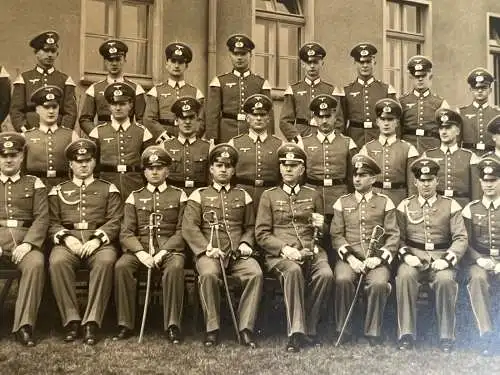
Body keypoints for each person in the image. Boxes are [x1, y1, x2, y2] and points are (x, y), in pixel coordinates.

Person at [182, 144, 263, 348]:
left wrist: (246, 243)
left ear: (234, 170)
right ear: (211, 169)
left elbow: (250, 226)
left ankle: (246, 328)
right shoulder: (199, 195)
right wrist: (206, 248)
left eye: (228, 166)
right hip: (209, 253)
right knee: (208, 275)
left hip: (236, 254)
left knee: (255, 273)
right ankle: (212, 329)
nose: (223, 169)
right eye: (219, 165)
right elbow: (189, 228)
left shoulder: (243, 195)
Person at [255, 143, 334, 352]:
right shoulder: (269, 196)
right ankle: (295, 332)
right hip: (281, 254)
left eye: (293, 165)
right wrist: (284, 250)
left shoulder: (314, 194)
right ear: (280, 168)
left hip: (311, 250)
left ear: (302, 169)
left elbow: (324, 233)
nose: (288, 169)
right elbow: (261, 234)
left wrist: (322, 225)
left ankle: (310, 327)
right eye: (284, 165)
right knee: (293, 271)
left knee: (325, 274)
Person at [48, 139, 122, 345]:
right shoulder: (58, 190)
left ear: (94, 163)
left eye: (88, 160)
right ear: (70, 164)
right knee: (57, 262)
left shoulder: (109, 188)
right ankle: (71, 319)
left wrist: (98, 239)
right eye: (78, 161)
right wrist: (67, 237)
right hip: (68, 241)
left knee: (106, 261)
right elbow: (52, 221)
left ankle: (92, 321)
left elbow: (115, 220)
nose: (83, 165)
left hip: (99, 242)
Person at [114, 146, 187, 343]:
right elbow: (126, 232)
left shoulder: (179, 195)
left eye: (159, 167)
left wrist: (162, 252)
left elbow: (182, 231)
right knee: (122, 266)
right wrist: (140, 253)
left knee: (175, 268)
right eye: (150, 168)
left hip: (169, 250)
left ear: (167, 171)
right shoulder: (134, 196)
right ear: (144, 172)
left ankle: (172, 324)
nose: (154, 172)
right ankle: (125, 323)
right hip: (141, 249)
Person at [396, 158, 468, 353]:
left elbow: (461, 238)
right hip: (414, 256)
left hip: (441, 256)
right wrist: (406, 256)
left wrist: (447, 260)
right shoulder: (405, 205)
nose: (426, 184)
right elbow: (398, 238)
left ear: (437, 181)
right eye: (422, 180)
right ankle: (406, 334)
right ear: (415, 182)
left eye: (430, 180)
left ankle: (446, 336)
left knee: (445, 280)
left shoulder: (450, 205)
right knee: (405, 276)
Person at [331, 154, 399, 345]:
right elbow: (336, 235)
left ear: (373, 179)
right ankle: (343, 329)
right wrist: (351, 259)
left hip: (375, 260)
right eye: (355, 175)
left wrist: (378, 259)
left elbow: (393, 235)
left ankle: (373, 332)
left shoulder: (386, 202)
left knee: (378, 284)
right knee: (343, 279)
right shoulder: (342, 202)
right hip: (349, 259)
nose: (357, 179)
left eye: (363, 175)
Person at [0, 132, 48, 346]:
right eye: (3, 155)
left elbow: (41, 217)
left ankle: (24, 325)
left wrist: (29, 244)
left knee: (36, 263)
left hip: (25, 239)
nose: (8, 159)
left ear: (21, 157)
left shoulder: (34, 183)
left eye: (14, 155)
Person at [302, 94, 357, 237]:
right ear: (314, 118)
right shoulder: (303, 143)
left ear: (335, 117)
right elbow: (300, 177)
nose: (324, 121)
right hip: (312, 199)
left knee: (338, 237)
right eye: (320, 117)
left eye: (328, 116)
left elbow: (353, 177)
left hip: (339, 197)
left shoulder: (348, 142)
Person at [89, 82, 154, 200]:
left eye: (122, 104)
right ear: (109, 106)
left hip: (135, 187)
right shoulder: (98, 132)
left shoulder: (142, 132)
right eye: (114, 104)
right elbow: (93, 165)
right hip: (106, 188)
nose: (118, 108)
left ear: (131, 105)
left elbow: (149, 166)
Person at [462, 157, 500, 356]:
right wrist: (479, 259)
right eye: (485, 181)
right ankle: (486, 334)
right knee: (477, 279)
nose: (489, 185)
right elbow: (465, 242)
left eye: (493, 180)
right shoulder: (471, 208)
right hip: (479, 260)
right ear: (480, 182)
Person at [206, 34, 273, 144]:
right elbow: (212, 115)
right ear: (230, 55)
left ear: (250, 55)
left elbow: (268, 115)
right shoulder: (220, 81)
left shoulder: (261, 83)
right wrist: (212, 139)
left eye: (243, 53)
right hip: (226, 132)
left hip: (252, 133)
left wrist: (268, 139)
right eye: (235, 54)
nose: (239, 57)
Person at [10, 31, 77, 132]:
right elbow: (16, 110)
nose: (50, 55)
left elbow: (70, 112)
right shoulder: (24, 79)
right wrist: (24, 129)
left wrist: (63, 132)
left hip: (57, 132)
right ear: (36, 53)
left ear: (57, 54)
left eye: (53, 51)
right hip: (30, 131)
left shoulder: (65, 80)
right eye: (45, 51)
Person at [79, 39, 146, 136]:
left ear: (124, 60)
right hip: (103, 138)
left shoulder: (136, 88)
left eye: (118, 59)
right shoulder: (95, 88)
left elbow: (142, 119)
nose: (114, 64)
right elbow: (85, 119)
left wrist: (135, 137)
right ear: (105, 62)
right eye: (110, 60)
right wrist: (97, 134)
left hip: (128, 137)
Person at [279, 42, 344, 142]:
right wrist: (296, 138)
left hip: (325, 139)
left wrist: (329, 139)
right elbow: (285, 121)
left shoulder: (331, 91)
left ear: (322, 63)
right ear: (303, 64)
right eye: (309, 63)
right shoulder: (293, 90)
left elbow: (339, 121)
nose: (312, 66)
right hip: (302, 137)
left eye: (315, 62)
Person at [359, 98, 419, 206]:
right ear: (377, 122)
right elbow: (362, 181)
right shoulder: (367, 149)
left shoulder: (409, 149)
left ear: (396, 122)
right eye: (383, 119)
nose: (386, 123)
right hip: (373, 200)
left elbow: (412, 185)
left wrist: (411, 205)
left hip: (398, 200)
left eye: (390, 119)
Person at [228, 94, 282, 208]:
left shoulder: (279, 144)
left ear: (268, 118)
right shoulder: (234, 143)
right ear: (247, 118)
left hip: (270, 195)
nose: (258, 118)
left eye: (262, 115)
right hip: (241, 195)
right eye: (254, 114)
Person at [144, 42, 205, 142]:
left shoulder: (196, 92)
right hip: (164, 139)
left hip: (188, 138)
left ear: (186, 66)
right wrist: (163, 136)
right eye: (173, 61)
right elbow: (149, 119)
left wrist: (192, 136)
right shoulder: (156, 91)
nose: (176, 65)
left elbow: (201, 120)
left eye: (180, 62)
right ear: (167, 64)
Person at [340, 43, 397, 148]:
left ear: (374, 62)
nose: (365, 65)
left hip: (379, 139)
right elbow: (341, 122)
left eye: (368, 61)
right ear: (355, 63)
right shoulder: (346, 91)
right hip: (354, 140)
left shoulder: (385, 90)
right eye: (361, 62)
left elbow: (395, 121)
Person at [422, 108, 481, 207]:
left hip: (462, 206)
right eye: (441, 128)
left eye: (448, 128)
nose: (444, 132)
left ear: (457, 131)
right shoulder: (428, 156)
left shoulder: (470, 156)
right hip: (436, 207)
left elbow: (476, 191)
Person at [24, 85, 78, 188]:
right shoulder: (26, 136)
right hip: (33, 188)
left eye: (54, 107)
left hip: (62, 187)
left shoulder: (71, 135)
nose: (51, 111)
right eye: (46, 107)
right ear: (37, 109)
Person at [161, 96, 210, 196]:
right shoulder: (165, 146)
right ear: (176, 120)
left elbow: (211, 179)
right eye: (183, 118)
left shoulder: (208, 147)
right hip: (172, 198)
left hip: (199, 197)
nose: (187, 122)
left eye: (191, 117)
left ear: (197, 120)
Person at [400, 55, 449, 153]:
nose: (420, 79)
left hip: (432, 148)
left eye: (423, 75)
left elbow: (446, 131)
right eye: (417, 76)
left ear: (430, 75)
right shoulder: (402, 101)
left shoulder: (440, 103)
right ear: (411, 76)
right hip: (408, 149)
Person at [459, 68, 500, 156]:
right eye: (476, 88)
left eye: (484, 87)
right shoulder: (462, 113)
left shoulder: (497, 114)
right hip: (469, 157)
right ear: (470, 89)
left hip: (492, 157)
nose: (480, 91)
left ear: (490, 90)